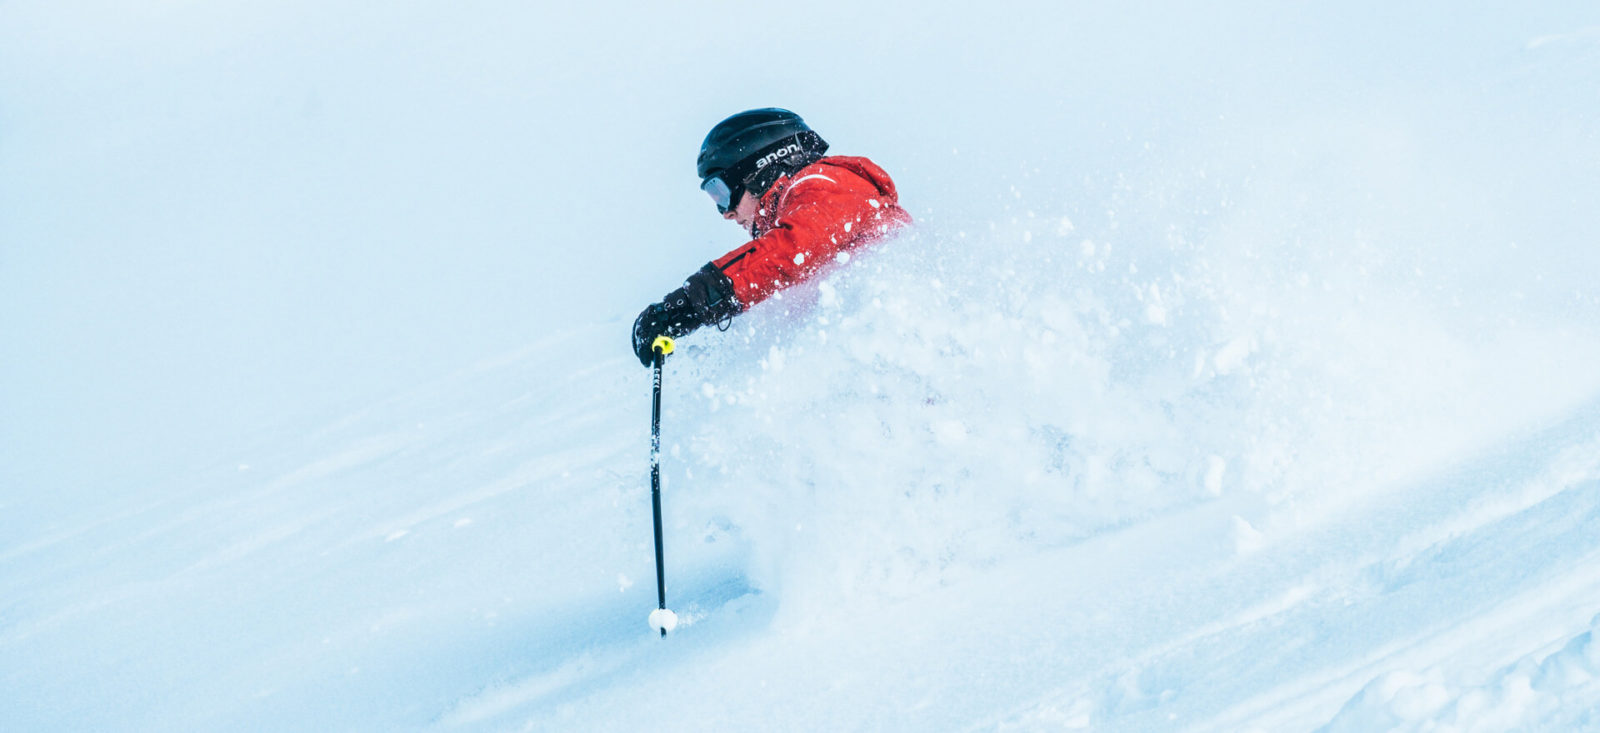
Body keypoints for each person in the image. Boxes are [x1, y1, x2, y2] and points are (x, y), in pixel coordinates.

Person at [631, 108, 912, 365]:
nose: (726, 213)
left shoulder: (824, 182)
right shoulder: (805, 207)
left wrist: (693, 302)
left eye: (721, 192)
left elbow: (792, 249)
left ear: (760, 170)